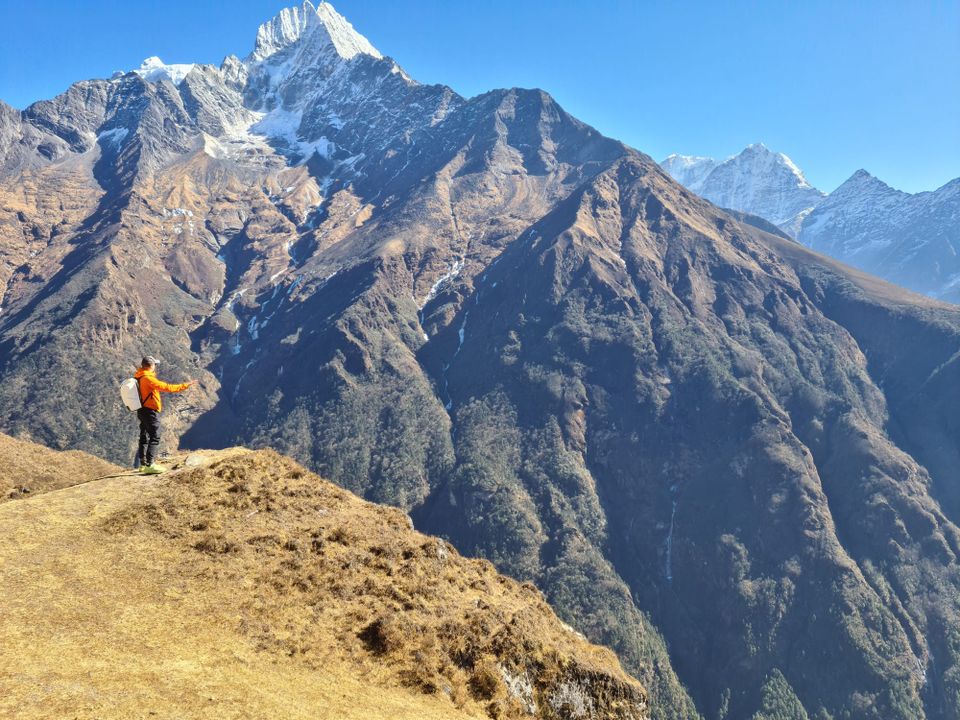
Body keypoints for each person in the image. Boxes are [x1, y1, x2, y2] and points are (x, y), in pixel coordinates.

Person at [134, 356, 195, 474]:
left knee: (143, 435)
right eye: (155, 365)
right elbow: (168, 387)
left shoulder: (138, 376)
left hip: (141, 409)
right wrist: (186, 385)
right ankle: (150, 464)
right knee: (155, 436)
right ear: (151, 366)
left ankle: (142, 464)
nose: (155, 367)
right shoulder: (148, 379)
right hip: (149, 411)